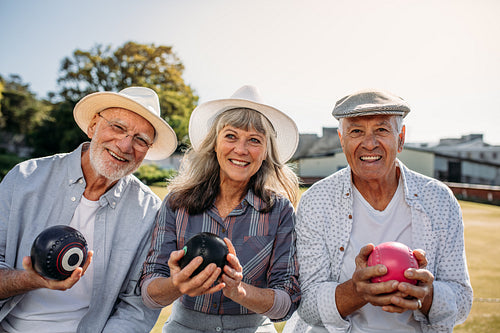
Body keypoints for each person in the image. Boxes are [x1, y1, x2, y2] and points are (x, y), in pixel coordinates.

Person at [284, 89, 473, 332]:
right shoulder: (317, 200)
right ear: (342, 140)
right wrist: (357, 290)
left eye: (382, 130)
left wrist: (426, 294)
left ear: (401, 138)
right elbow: (306, 305)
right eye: (356, 132)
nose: (369, 143)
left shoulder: (438, 199)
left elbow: (463, 302)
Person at [0, 87, 178, 332]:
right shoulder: (24, 178)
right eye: (118, 127)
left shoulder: (149, 212)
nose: (125, 145)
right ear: (94, 125)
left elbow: (136, 306)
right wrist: (28, 279)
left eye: (141, 140)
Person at [140, 85, 301, 332]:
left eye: (254, 140)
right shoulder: (177, 203)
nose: (241, 149)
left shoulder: (280, 211)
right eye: (231, 136)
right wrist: (176, 284)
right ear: (214, 144)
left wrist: (239, 291)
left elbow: (286, 302)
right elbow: (150, 294)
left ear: (266, 152)